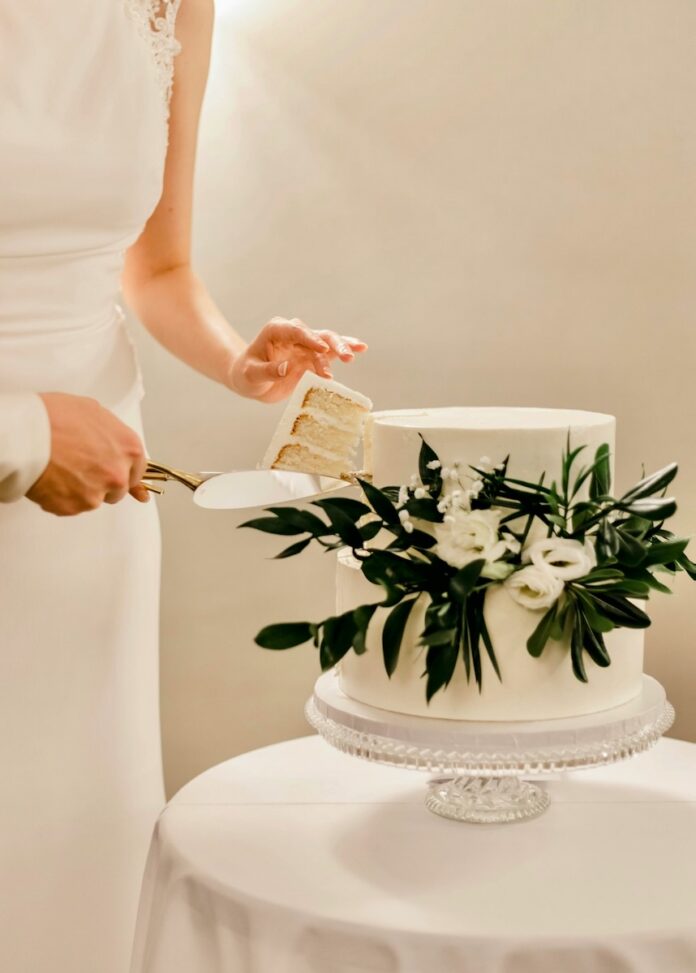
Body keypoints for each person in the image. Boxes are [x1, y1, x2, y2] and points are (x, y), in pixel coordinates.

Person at [0, 2, 367, 970]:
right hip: (27, 442)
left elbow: (157, 266)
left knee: (69, 829)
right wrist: (23, 433)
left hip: (91, 512)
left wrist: (240, 363)